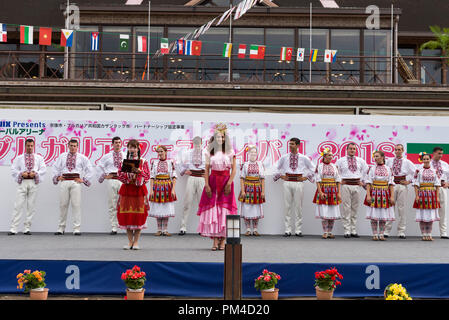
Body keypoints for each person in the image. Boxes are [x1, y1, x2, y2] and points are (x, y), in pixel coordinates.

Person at [197, 123, 238, 251]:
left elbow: (234, 170)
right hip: (213, 181)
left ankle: (223, 240)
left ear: (225, 138)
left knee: (224, 210)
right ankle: (215, 240)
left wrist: (229, 183)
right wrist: (207, 185)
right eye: (218, 137)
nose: (220, 139)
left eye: (222, 137)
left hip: (226, 181)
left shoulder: (230, 152)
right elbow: (207, 169)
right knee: (213, 209)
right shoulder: (209, 152)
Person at [273, 138, 315, 237]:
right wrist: (281, 175)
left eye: (292, 144)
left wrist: (306, 177)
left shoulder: (304, 158)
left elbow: (314, 168)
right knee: (287, 206)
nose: (290, 146)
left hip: (298, 183)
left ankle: (298, 230)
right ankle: (287, 230)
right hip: (287, 182)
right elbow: (275, 167)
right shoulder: (284, 157)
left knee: (298, 207)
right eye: (289, 144)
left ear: (298, 145)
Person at [52, 139, 94, 235]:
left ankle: (76, 228)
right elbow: (55, 167)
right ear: (68, 146)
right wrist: (58, 177)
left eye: (75, 146)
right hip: (65, 181)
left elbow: (89, 169)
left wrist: (83, 180)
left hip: (76, 182)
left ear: (77, 147)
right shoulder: (62, 156)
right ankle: (61, 228)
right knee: (63, 205)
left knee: (76, 205)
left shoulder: (82, 157)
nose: (73, 147)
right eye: (71, 145)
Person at [117, 139, 150, 249]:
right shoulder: (123, 161)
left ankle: (136, 242)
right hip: (127, 190)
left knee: (138, 215)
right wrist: (126, 174)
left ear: (138, 149)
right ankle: (130, 241)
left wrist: (140, 172)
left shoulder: (143, 161)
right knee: (127, 215)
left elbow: (147, 176)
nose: (132, 150)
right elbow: (119, 175)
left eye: (134, 147)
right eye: (130, 147)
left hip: (138, 190)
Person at [9, 139, 46, 235]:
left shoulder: (39, 158)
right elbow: (13, 169)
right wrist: (21, 174)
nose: (29, 147)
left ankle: (27, 228)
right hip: (23, 182)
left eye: (31, 146)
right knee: (18, 205)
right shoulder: (19, 158)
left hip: (33, 182)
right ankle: (13, 228)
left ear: (33, 146)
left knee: (31, 206)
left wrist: (35, 173)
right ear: (25, 146)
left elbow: (43, 169)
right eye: (28, 146)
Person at [335, 143, 369, 238]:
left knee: (355, 208)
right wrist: (339, 181)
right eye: (350, 148)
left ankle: (353, 230)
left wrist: (363, 182)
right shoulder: (340, 160)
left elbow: (366, 171)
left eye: (354, 149)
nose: (352, 150)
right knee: (346, 208)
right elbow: (336, 172)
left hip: (357, 185)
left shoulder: (360, 160)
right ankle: (347, 230)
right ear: (347, 149)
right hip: (346, 185)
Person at [384, 144, 416, 239]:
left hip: (402, 185)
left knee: (401, 208)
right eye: (396, 150)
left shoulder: (407, 162)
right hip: (392, 185)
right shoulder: (389, 161)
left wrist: (408, 181)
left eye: (399, 149)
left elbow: (415, 173)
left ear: (402, 150)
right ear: (394, 151)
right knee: (390, 208)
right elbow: (384, 170)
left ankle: (401, 231)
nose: (397, 151)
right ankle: (386, 231)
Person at [364, 151, 395, 241]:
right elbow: (369, 182)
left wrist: (392, 196)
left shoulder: (388, 169)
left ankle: (381, 234)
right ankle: (374, 234)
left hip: (385, 193)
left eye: (377, 156)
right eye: (374, 156)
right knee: (374, 215)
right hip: (375, 193)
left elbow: (391, 184)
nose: (375, 158)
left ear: (382, 157)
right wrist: (368, 195)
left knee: (383, 215)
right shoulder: (372, 169)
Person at [97, 136, 126, 235]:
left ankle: (125, 226)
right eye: (116, 142)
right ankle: (114, 227)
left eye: (119, 142)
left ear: (121, 144)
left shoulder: (126, 155)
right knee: (112, 204)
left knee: (124, 203)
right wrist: (104, 175)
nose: (118, 144)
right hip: (112, 180)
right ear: (112, 144)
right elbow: (99, 166)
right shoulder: (107, 156)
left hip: (123, 181)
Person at [178, 136, 206, 235]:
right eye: (195, 143)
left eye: (199, 143)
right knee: (187, 202)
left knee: (202, 203)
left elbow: (210, 166)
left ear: (202, 143)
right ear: (193, 143)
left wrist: (207, 174)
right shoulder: (188, 153)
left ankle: (202, 228)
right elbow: (180, 163)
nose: (197, 145)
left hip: (202, 178)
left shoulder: (206, 153)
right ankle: (183, 227)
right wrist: (185, 171)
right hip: (192, 177)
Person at [149, 145, 177, 236]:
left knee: (166, 207)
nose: (160, 153)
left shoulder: (171, 162)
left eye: (161, 151)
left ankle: (165, 229)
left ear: (165, 152)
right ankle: (158, 229)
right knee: (158, 207)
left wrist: (173, 189)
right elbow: (152, 176)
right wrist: (151, 190)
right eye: (158, 152)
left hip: (167, 186)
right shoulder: (154, 162)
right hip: (157, 186)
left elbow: (174, 176)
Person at [313, 148, 341, 239]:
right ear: (324, 156)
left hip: (333, 190)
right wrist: (320, 192)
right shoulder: (319, 166)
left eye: (332, 155)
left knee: (332, 211)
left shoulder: (334, 166)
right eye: (329, 155)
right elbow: (318, 180)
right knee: (325, 211)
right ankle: (325, 232)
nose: (331, 157)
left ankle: (330, 232)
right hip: (324, 189)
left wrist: (338, 192)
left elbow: (338, 180)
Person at [239, 145, 265, 236]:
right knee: (247, 208)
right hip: (247, 187)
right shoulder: (245, 164)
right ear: (248, 154)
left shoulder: (260, 164)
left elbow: (262, 178)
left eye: (255, 153)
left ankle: (255, 229)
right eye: (251, 153)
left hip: (257, 188)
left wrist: (263, 191)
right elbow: (242, 178)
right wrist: (242, 191)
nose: (253, 154)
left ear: (257, 154)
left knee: (256, 208)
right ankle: (248, 229)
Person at [413, 152, 441, 241]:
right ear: (422, 160)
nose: (426, 160)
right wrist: (417, 195)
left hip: (431, 195)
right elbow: (416, 184)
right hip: (422, 194)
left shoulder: (434, 171)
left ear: (430, 159)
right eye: (424, 159)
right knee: (422, 215)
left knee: (430, 215)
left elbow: (437, 185)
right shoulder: (418, 171)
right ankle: (423, 234)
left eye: (427, 159)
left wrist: (436, 197)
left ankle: (429, 234)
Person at [430, 147, 449, 239]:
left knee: (443, 210)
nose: (440, 155)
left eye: (442, 153)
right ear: (434, 153)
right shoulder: (427, 163)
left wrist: (448, 183)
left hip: (442, 188)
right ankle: (428, 232)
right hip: (431, 188)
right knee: (429, 209)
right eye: (439, 153)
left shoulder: (445, 164)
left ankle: (443, 232)